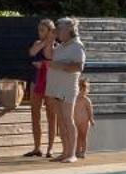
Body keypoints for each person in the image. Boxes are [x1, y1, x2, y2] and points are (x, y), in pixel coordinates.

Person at [44, 16, 86, 162]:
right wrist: (50, 40)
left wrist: (60, 66)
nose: (57, 32)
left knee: (68, 119)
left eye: (59, 29)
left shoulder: (77, 46)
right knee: (61, 120)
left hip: (67, 88)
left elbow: (79, 67)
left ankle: (72, 154)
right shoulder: (61, 46)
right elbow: (48, 54)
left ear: (68, 30)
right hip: (56, 87)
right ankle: (65, 152)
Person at [25, 19, 57, 157]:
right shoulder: (38, 43)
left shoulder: (56, 47)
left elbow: (52, 60)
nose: (39, 33)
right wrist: (45, 41)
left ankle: (50, 148)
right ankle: (37, 147)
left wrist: (43, 64)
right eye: (39, 30)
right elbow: (32, 52)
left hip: (50, 83)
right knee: (35, 114)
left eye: (42, 30)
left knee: (51, 115)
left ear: (50, 31)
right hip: (36, 81)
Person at [74, 77, 96, 160]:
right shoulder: (75, 99)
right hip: (76, 120)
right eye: (80, 90)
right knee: (77, 136)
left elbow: (90, 110)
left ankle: (83, 151)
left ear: (87, 90)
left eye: (84, 90)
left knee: (83, 136)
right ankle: (77, 151)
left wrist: (91, 119)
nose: (82, 92)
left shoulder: (86, 100)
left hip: (85, 122)